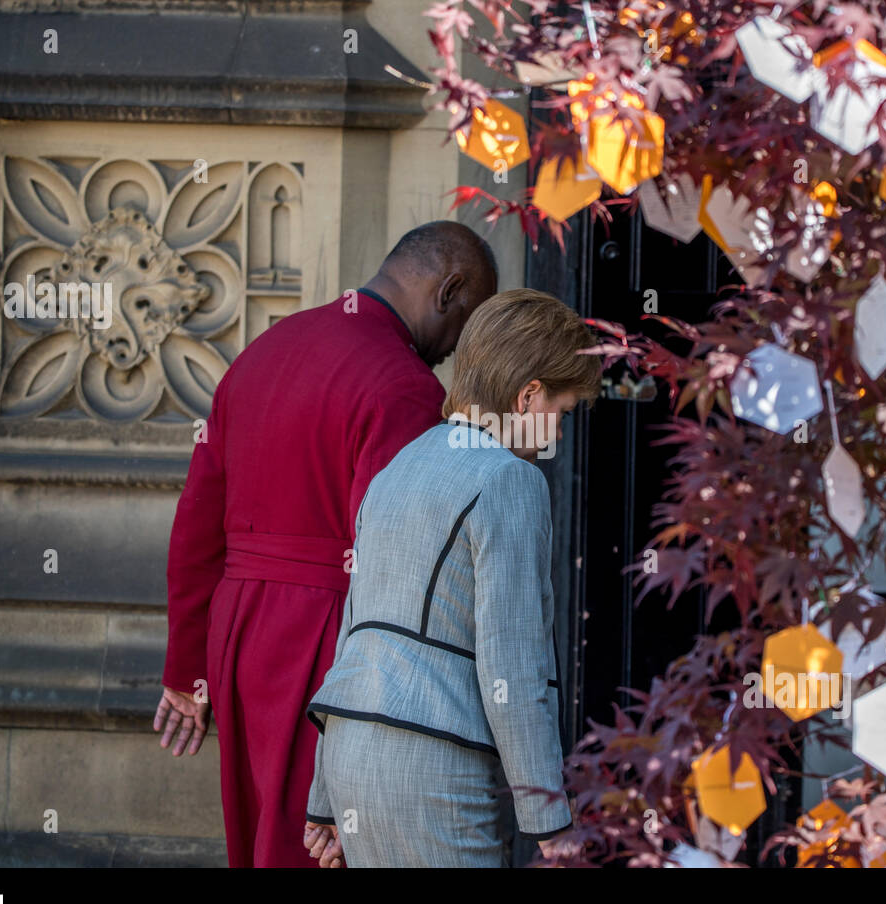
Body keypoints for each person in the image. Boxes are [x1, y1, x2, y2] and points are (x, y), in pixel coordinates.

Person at [157, 221, 498, 867]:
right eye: (465, 323)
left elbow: (197, 525)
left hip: (238, 638)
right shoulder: (403, 385)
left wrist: (187, 670)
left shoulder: (264, 348)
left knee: (262, 839)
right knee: (319, 845)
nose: (455, 350)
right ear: (448, 289)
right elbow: (393, 568)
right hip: (325, 640)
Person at [301, 288, 601, 867]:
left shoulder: (398, 468)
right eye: (562, 413)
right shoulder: (510, 479)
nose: (559, 436)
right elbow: (510, 668)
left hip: (351, 757)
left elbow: (354, 639)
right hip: (436, 767)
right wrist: (550, 823)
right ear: (529, 395)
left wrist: (324, 802)